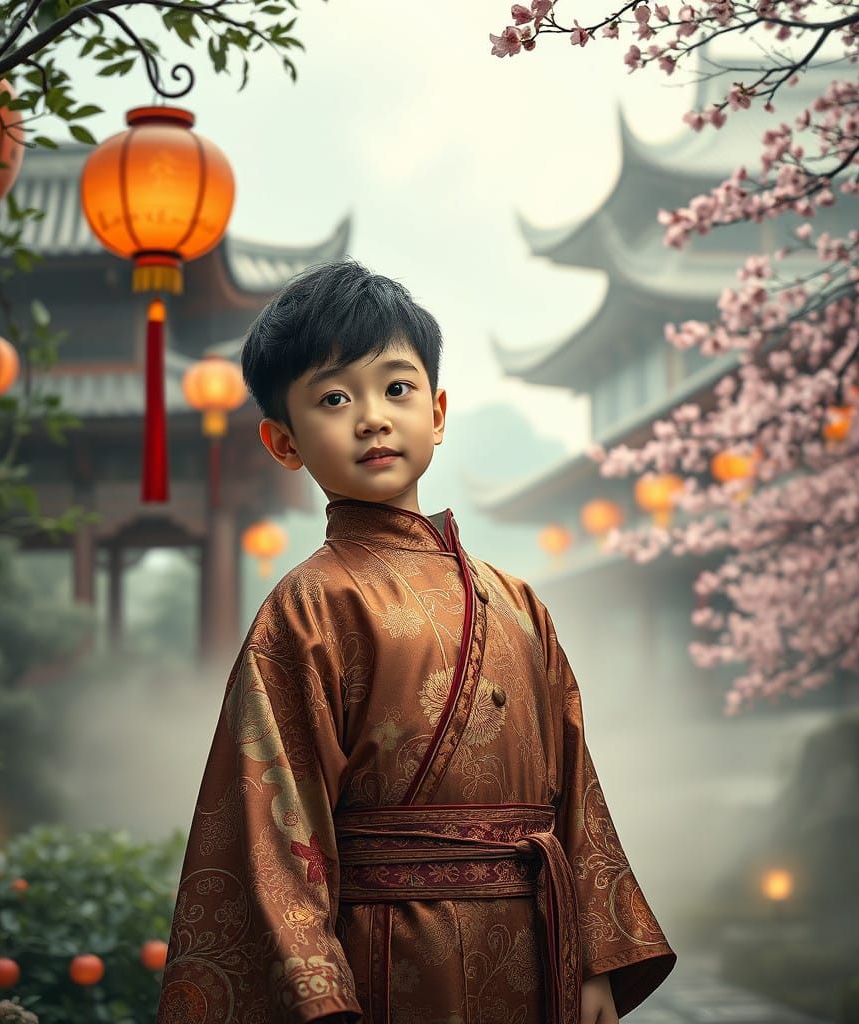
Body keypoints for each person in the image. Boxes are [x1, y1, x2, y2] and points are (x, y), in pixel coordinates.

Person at [154, 259, 676, 1024]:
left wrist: (597, 956)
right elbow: (272, 831)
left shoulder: (518, 603)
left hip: (536, 949)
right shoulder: (307, 607)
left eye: (396, 388)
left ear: (436, 412)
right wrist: (321, 997)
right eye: (334, 398)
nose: (372, 418)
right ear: (283, 442)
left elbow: (577, 791)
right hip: (387, 958)